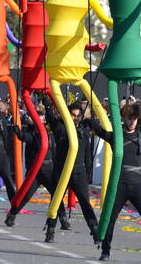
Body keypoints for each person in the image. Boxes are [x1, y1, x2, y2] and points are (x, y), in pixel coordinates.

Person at [92, 103, 141, 263]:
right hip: (119, 184)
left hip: (138, 184)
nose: (131, 122)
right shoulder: (117, 136)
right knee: (110, 218)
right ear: (124, 118)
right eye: (129, 118)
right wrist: (92, 123)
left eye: (134, 119)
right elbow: (103, 133)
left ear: (138, 120)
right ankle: (105, 250)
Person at [5, 103, 70, 230]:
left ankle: (63, 220)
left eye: (41, 116)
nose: (39, 118)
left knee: (56, 195)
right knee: (26, 195)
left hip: (49, 169)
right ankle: (12, 215)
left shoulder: (49, 132)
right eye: (36, 116)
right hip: (35, 171)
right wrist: (18, 132)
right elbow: (25, 137)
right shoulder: (31, 132)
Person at [45, 102, 100, 244]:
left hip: (79, 171)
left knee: (85, 203)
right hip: (62, 170)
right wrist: (47, 106)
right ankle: (50, 231)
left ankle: (95, 231)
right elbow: (51, 120)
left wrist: (87, 172)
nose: (75, 118)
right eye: (72, 115)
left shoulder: (83, 130)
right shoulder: (61, 128)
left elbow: (88, 152)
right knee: (56, 201)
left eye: (77, 116)